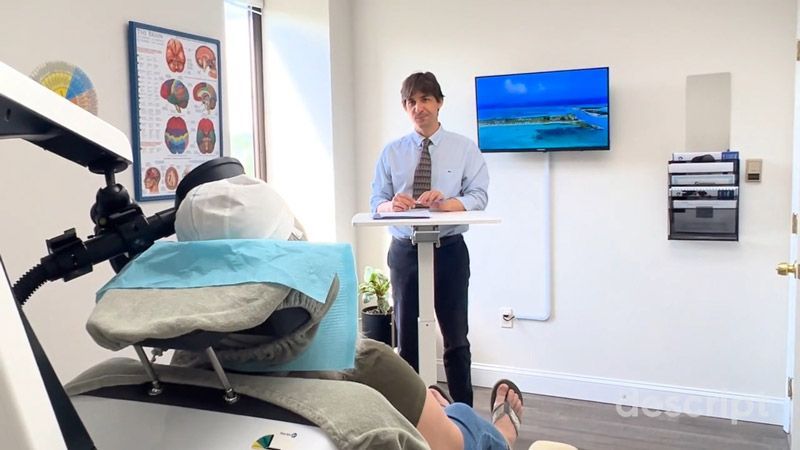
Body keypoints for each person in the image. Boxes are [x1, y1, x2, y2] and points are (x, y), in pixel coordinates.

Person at [370, 71, 489, 406]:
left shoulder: (464, 148)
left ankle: (463, 414)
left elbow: (479, 195)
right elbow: (375, 201)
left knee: (456, 339)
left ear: (439, 103)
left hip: (449, 251)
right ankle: (413, 415)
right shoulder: (391, 152)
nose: (418, 107)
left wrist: (450, 203)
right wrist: (390, 205)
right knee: (407, 338)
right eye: (410, 102)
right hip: (405, 252)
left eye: (425, 99)